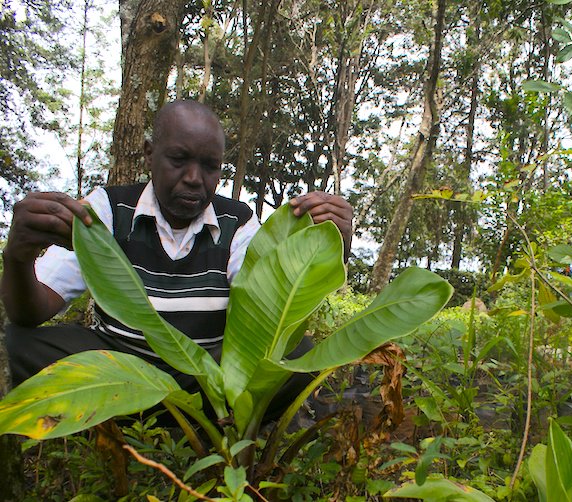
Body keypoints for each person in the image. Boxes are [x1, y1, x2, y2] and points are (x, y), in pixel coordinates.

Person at [0, 100, 353, 416]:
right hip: (120, 369)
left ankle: (148, 415)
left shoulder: (238, 222)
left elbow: (275, 310)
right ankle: (160, 412)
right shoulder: (109, 208)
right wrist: (17, 256)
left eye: (210, 166)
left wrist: (334, 242)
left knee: (295, 354)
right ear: (149, 154)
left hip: (203, 377)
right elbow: (30, 312)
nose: (194, 179)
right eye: (178, 160)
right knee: (21, 343)